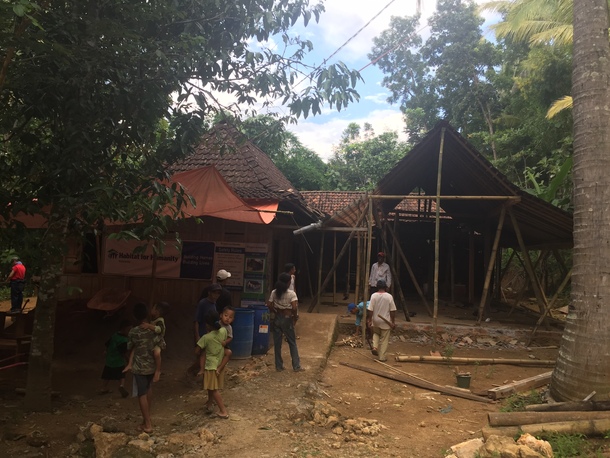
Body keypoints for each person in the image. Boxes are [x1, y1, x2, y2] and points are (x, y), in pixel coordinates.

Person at [127, 302, 157, 433]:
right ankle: (146, 419)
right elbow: (161, 344)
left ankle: (148, 424)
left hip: (139, 367)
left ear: (134, 316)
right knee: (148, 388)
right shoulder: (153, 330)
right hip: (152, 365)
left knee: (141, 393)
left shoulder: (134, 332)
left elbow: (129, 346)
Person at [124, 301, 170, 383]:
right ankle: (130, 364)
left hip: (158, 342)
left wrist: (149, 326)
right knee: (135, 349)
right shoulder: (153, 320)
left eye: (153, 308)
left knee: (156, 353)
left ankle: (158, 370)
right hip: (152, 343)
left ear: (157, 311)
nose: (151, 309)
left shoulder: (160, 321)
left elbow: (159, 330)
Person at [196, 310, 229, 419]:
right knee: (211, 387)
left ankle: (223, 411)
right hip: (219, 364)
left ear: (207, 325)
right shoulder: (223, 331)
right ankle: (209, 403)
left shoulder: (206, 337)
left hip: (211, 366)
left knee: (214, 390)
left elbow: (197, 350)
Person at [267, 273, 303, 372]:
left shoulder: (274, 292)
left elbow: (269, 304)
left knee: (277, 344)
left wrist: (274, 311)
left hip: (277, 317)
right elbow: (294, 307)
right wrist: (295, 316)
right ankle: (296, 366)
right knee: (292, 342)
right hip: (287, 318)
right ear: (288, 283)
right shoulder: (291, 294)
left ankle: (279, 366)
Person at [366, 280, 396, 362]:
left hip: (376, 320)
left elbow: (370, 310)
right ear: (385, 287)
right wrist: (393, 322)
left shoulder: (373, 296)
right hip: (385, 322)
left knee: (376, 333)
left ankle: (375, 347)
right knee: (384, 339)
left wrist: (370, 320)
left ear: (377, 287)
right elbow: (392, 311)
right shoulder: (389, 297)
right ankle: (382, 357)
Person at [100, 320, 131, 397]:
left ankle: (103, 387)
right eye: (129, 330)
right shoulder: (123, 340)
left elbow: (107, 344)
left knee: (107, 375)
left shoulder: (114, 335)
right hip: (118, 361)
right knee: (122, 374)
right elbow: (123, 352)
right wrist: (128, 360)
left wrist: (106, 351)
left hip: (110, 359)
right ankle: (121, 386)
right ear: (124, 329)